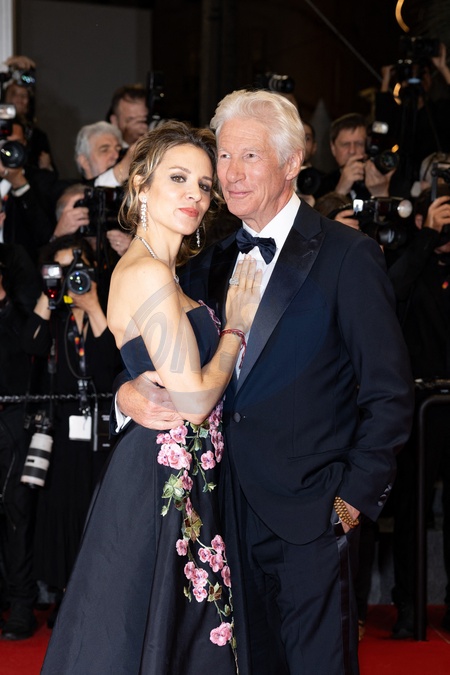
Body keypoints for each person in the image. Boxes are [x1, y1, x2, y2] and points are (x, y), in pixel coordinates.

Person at [115, 90, 414, 674]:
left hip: (312, 515)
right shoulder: (208, 261)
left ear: (292, 161)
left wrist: (353, 501)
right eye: (224, 157)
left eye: (249, 156)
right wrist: (125, 393)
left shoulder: (347, 256)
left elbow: (389, 392)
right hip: (218, 514)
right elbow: (147, 345)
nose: (230, 174)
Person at [40, 121, 261, 674]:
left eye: (204, 185)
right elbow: (193, 401)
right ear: (140, 184)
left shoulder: (166, 274)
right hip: (164, 478)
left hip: (187, 473)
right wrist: (234, 329)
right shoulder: (146, 275)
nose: (195, 195)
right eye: (178, 178)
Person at [22, 235, 123, 628]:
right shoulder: (56, 315)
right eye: (63, 269)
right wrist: (49, 295)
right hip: (63, 429)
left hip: (100, 430)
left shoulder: (109, 309)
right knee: (61, 509)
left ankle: (99, 594)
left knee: (97, 508)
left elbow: (110, 363)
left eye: (78, 268)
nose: (72, 277)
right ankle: (66, 593)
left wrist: (93, 305)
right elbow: (30, 344)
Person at [386, 185, 450, 637]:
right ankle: (408, 605)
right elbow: (390, 293)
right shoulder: (410, 259)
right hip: (420, 408)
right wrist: (427, 236)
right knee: (412, 510)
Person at [0, 242, 41, 640]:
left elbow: (31, 342)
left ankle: (22, 606)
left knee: (16, 512)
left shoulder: (16, 302)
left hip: (12, 417)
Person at [315, 112, 396, 202]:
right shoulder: (319, 186)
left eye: (359, 144)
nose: (352, 151)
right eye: (345, 144)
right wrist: (340, 191)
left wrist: (381, 194)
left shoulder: (384, 180)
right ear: (333, 148)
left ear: (368, 146)